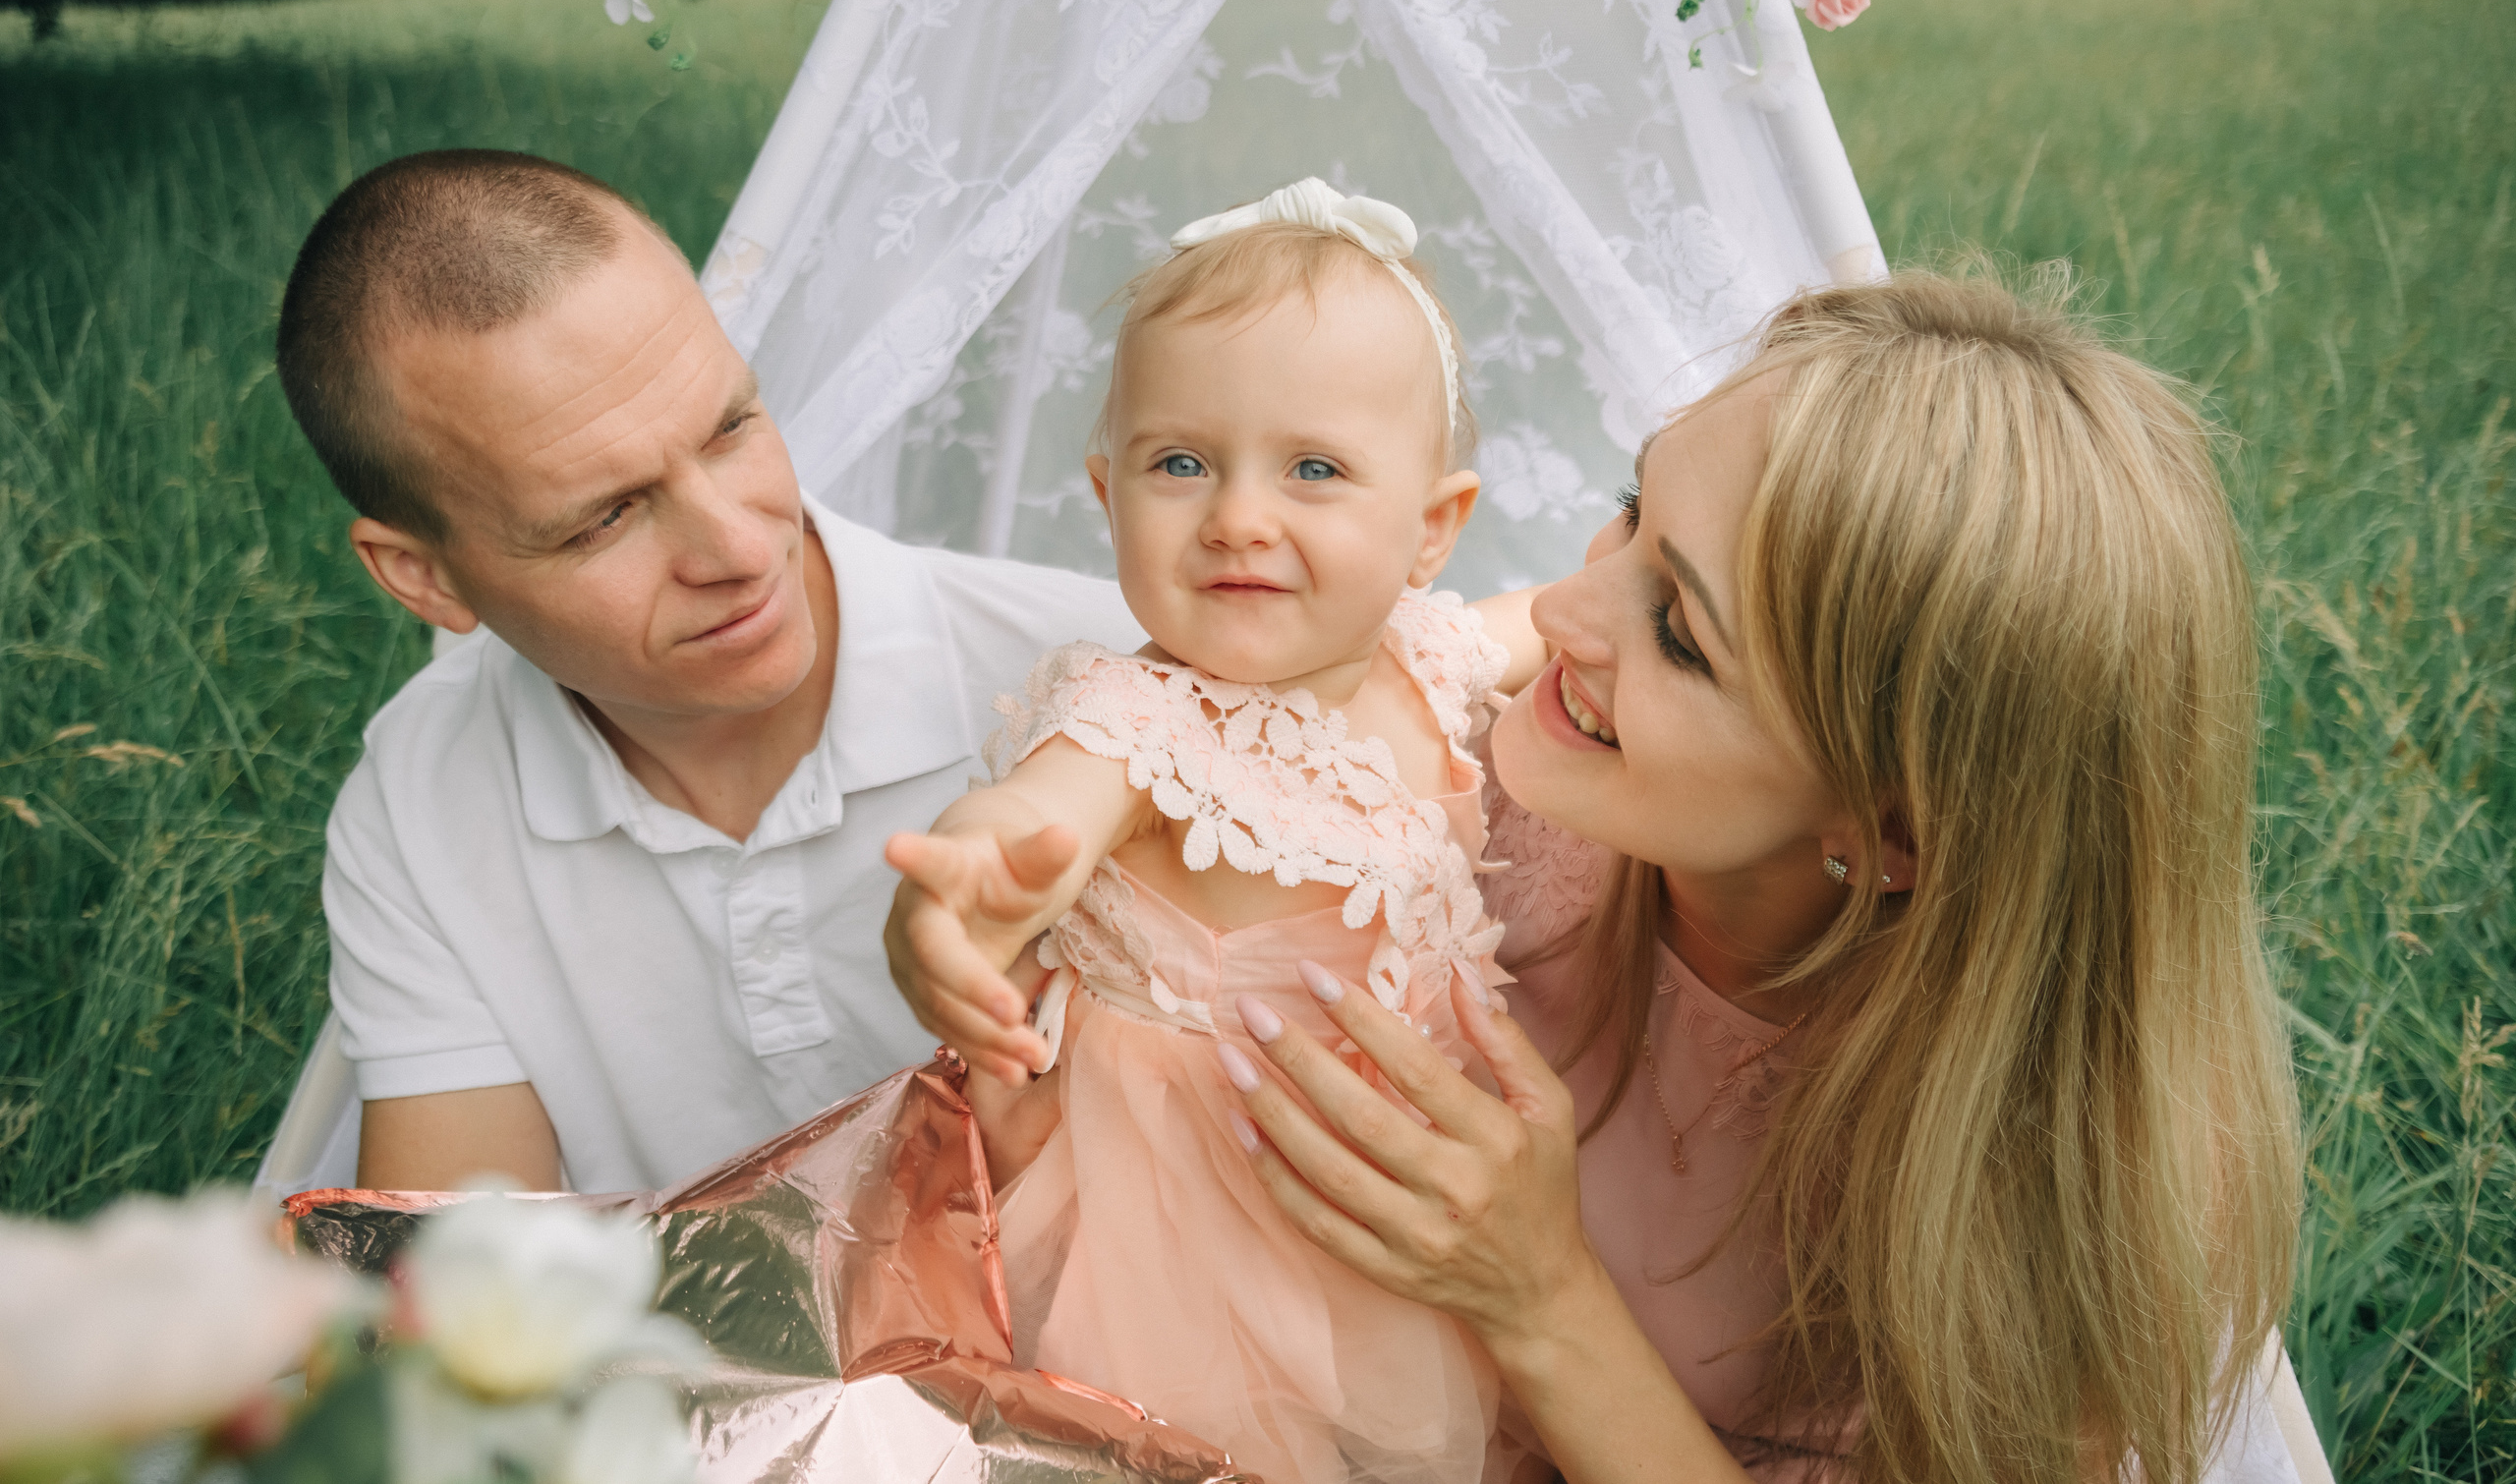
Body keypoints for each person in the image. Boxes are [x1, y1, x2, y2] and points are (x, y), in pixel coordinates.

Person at [910, 272, 2314, 1483]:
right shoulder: (1490, 808)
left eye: (1683, 633)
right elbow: (1178, 738)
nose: (1566, 612)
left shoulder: (2070, 1158)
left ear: (1894, 832)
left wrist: (1541, 1296)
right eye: (1632, 506)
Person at [273, 148, 1138, 1196]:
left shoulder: (1100, 675)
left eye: (729, 427)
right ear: (423, 577)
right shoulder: (420, 795)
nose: (735, 548)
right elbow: (455, 1286)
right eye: (606, 517)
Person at [882, 179, 1550, 1484]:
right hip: (1194, 1239)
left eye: (1314, 469)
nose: (1240, 513)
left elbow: (1571, 617)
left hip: (1404, 1213)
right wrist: (968, 883)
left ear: (1432, 528)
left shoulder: (1431, 659)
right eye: (1181, 462)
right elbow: (1042, 816)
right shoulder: (1135, 712)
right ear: (1106, 488)